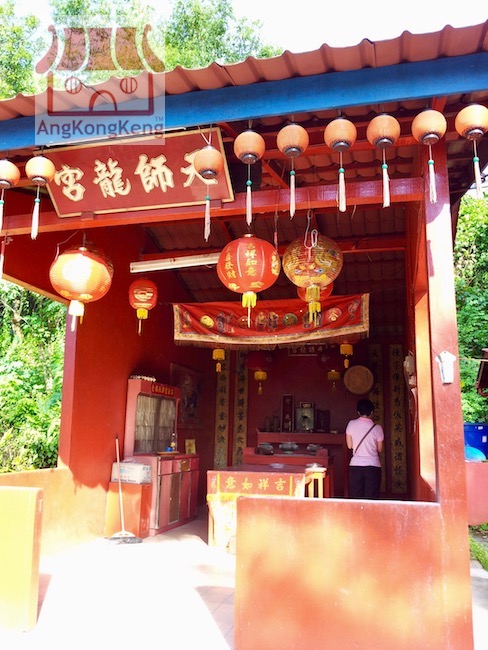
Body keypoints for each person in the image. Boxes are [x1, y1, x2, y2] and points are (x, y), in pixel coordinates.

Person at [345, 398, 384, 499]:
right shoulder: (378, 428)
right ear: (372, 412)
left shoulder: (351, 424)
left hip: (355, 466)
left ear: (358, 412)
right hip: (373, 466)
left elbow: (349, 446)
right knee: (371, 499)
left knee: (356, 497)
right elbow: (380, 449)